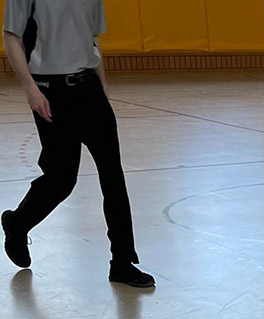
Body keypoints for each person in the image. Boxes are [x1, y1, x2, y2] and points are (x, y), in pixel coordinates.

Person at [1, 0, 154, 287]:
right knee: (61, 179)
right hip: (50, 91)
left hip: (89, 88)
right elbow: (11, 36)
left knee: (113, 176)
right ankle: (18, 223)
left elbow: (92, 39)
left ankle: (122, 262)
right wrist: (30, 88)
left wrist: (102, 84)